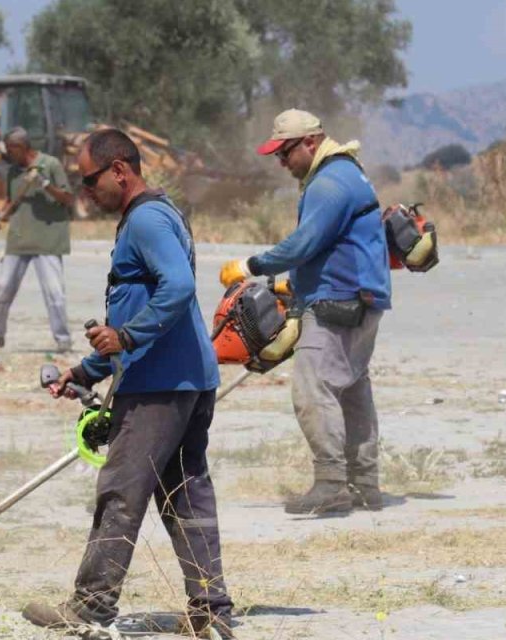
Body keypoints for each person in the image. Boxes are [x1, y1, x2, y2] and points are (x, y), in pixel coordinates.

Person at [23, 129, 234, 639]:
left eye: (89, 179)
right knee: (185, 495)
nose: (85, 190)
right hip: (186, 379)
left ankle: (91, 607)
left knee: (120, 491)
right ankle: (211, 613)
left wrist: (124, 335)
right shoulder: (157, 216)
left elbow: (178, 290)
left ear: (120, 170)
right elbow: (141, 311)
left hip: (161, 388)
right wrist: (85, 370)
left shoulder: (145, 220)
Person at [218, 109, 392, 514]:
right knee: (351, 388)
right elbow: (332, 246)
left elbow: (303, 244)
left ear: (310, 142)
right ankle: (364, 484)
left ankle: (331, 483)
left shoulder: (328, 183)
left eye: (285, 152)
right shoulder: (347, 172)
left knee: (312, 390)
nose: (281, 162)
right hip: (363, 296)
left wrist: (251, 266)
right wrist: (290, 284)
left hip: (338, 300)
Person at [0, 127, 75, 352]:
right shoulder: (13, 172)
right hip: (18, 238)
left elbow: (67, 199)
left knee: (54, 293)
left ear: (21, 147)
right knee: (3, 288)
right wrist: (3, 215)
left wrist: (44, 184)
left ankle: (63, 339)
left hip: (48, 240)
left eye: (10, 149)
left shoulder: (51, 165)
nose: (8, 154)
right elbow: (12, 201)